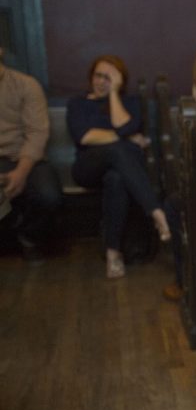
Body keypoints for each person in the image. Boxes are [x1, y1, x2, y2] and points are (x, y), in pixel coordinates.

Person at [67, 54, 170, 279]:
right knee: (117, 149)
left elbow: (124, 126)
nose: (102, 81)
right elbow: (85, 137)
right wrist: (124, 138)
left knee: (116, 178)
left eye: (109, 77)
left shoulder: (130, 103)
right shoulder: (78, 103)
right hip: (87, 168)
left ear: (120, 81)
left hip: (121, 172)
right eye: (98, 75)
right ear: (90, 77)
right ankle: (157, 212)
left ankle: (113, 252)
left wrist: (113, 94)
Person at [0, 46, 62, 262]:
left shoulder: (26, 85)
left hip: (26, 157)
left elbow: (37, 133)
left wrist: (21, 172)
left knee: (49, 195)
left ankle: (29, 236)